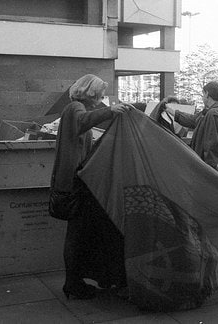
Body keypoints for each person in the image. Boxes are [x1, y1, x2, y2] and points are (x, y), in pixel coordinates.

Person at [50, 74, 132, 299]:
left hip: (73, 183)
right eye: (100, 94)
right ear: (91, 93)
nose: (102, 98)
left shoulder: (77, 109)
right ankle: (73, 284)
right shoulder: (75, 108)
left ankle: (76, 282)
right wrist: (111, 112)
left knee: (78, 234)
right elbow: (83, 122)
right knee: (77, 235)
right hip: (74, 185)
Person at [165, 81, 218, 172]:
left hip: (211, 169)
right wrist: (173, 112)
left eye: (203, 94)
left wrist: (209, 170)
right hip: (214, 166)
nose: (202, 97)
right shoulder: (215, 111)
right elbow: (193, 120)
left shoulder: (213, 114)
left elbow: (213, 145)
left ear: (207, 94)